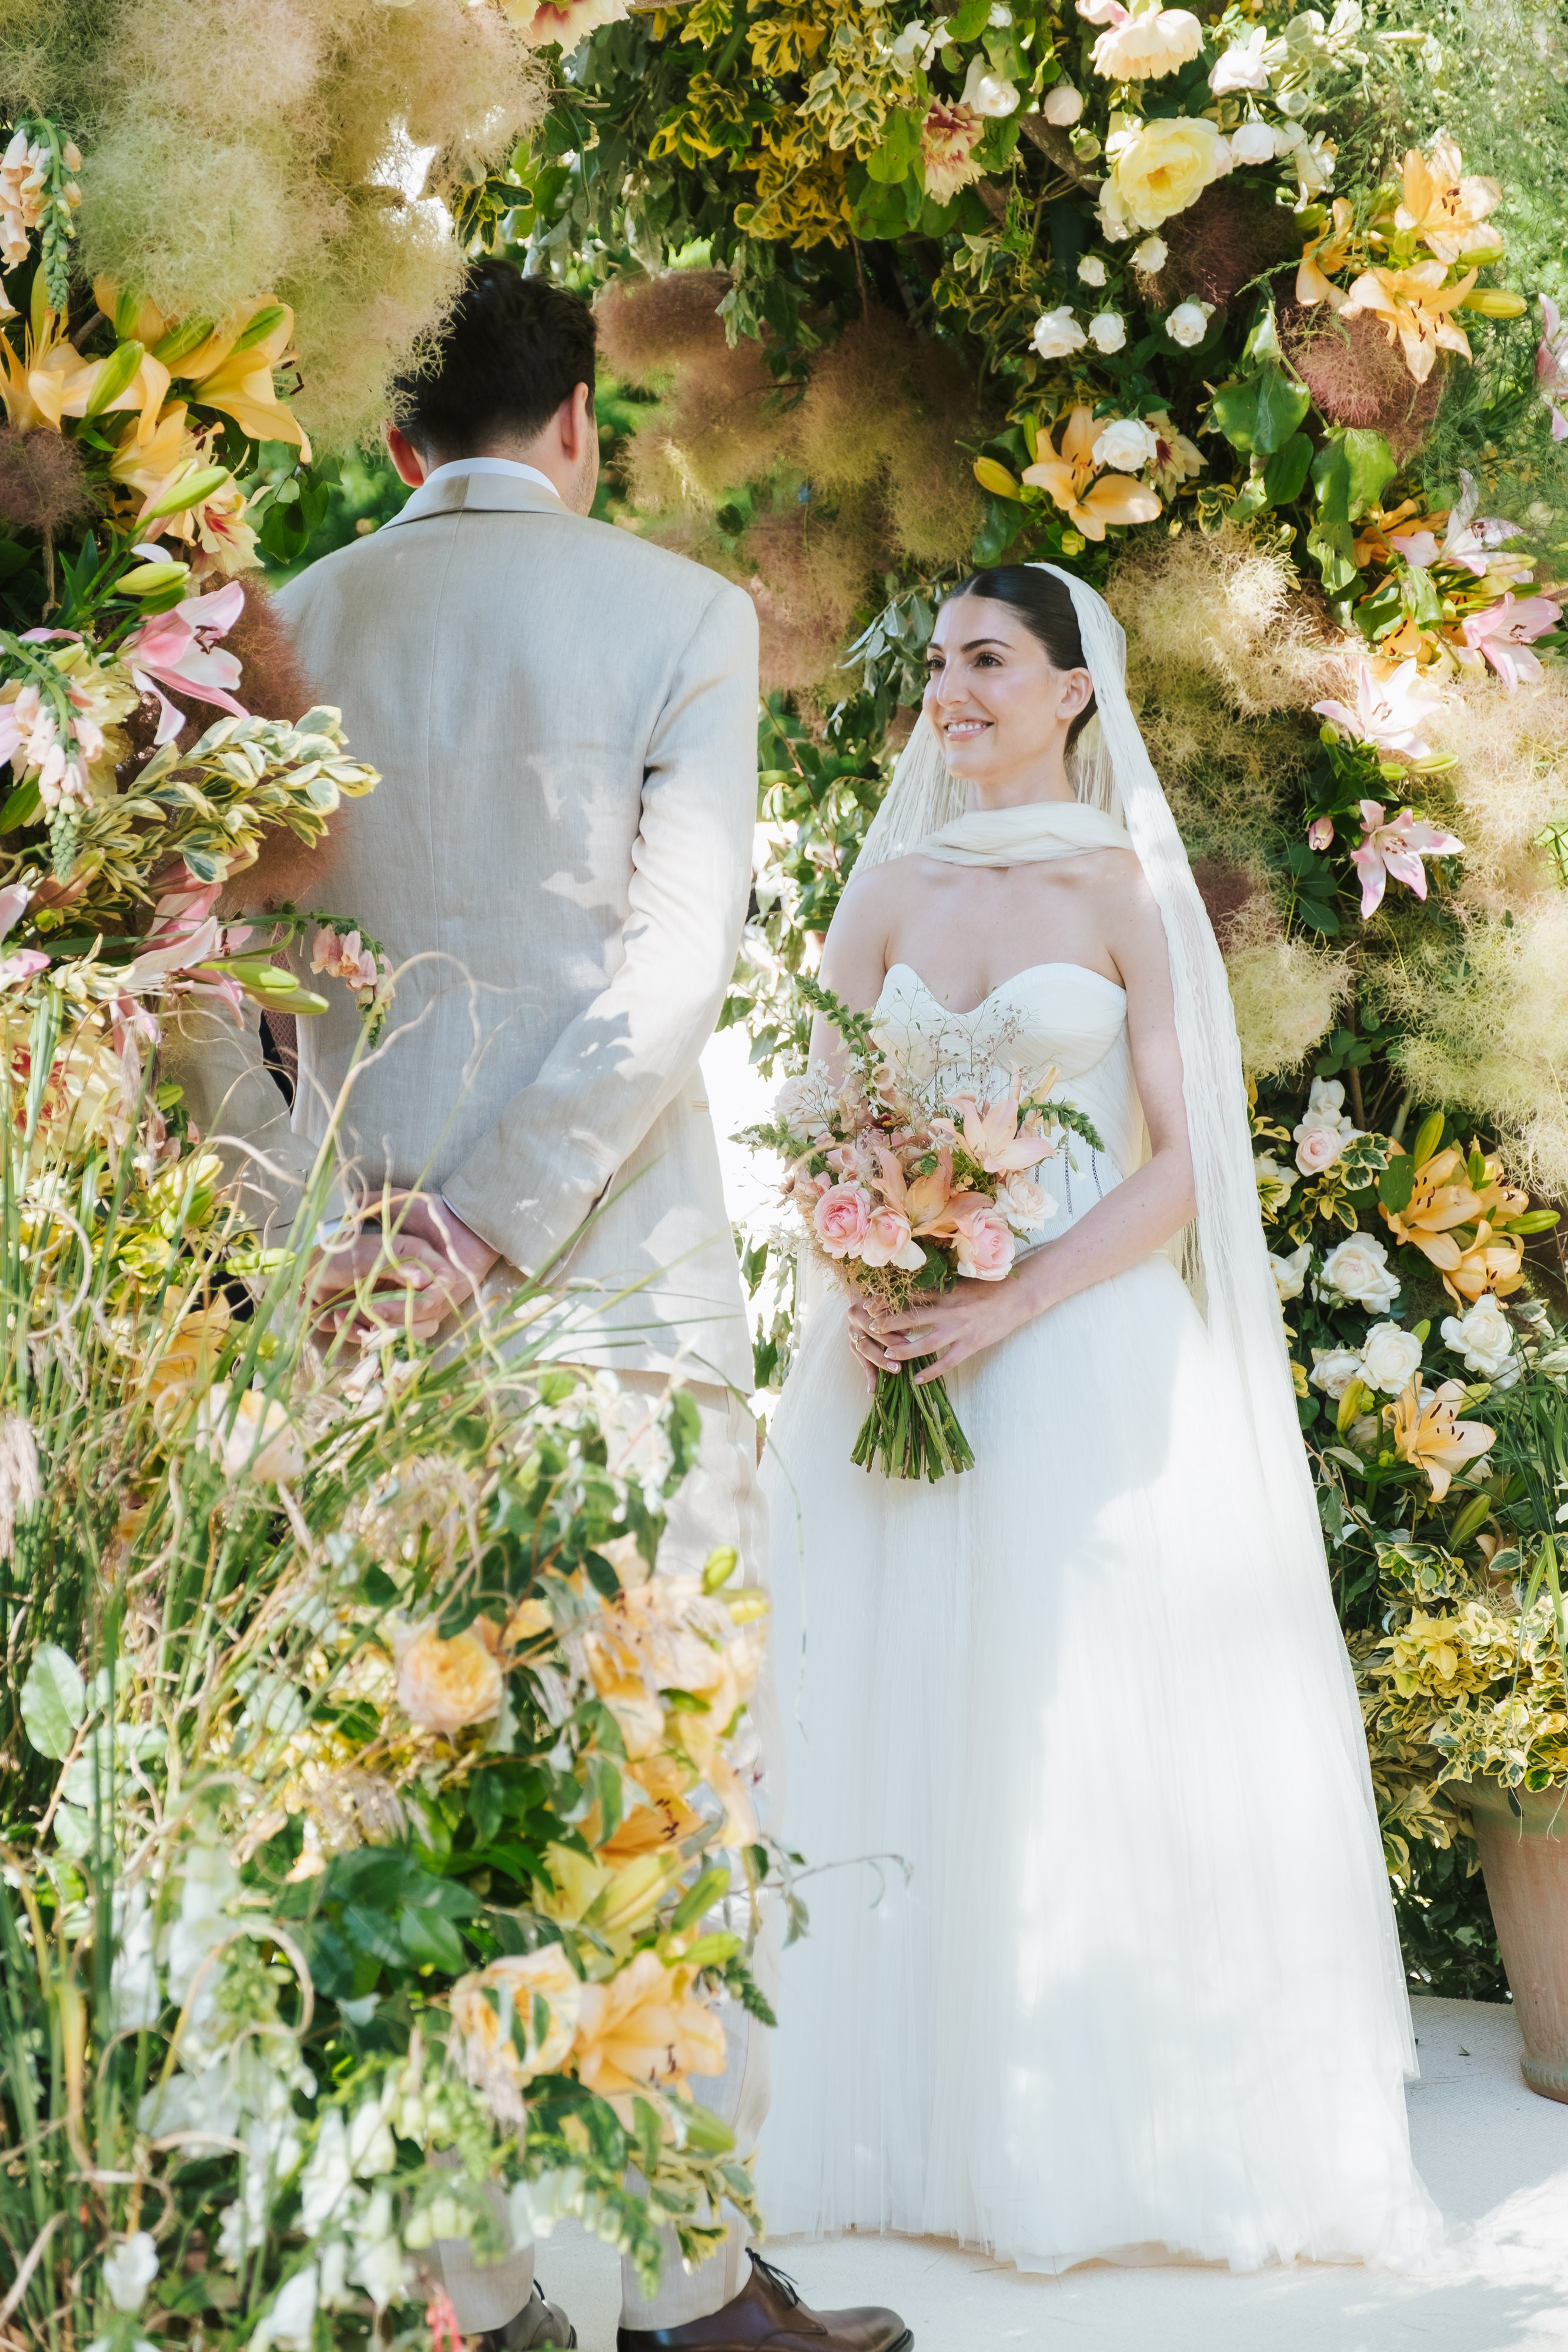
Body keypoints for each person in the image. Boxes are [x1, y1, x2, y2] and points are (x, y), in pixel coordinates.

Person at [163, 262, 910, 2352]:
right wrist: (487, 1228)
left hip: (350, 1333)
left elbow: (193, 965)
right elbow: (671, 973)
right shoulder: (675, 614)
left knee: (393, 1774)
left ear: (397, 439)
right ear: (579, 418)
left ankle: (461, 2293)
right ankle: (692, 2290)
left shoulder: (285, 626)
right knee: (660, 1772)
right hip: (611, 1305)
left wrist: (324, 1238)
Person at [755, 564, 1443, 2275]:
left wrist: (1011, 1296)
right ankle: (881, 2116)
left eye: (989, 660)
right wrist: (861, 1254)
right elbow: (820, 1114)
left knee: (1061, 1722)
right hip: (894, 1346)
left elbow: (1190, 1167)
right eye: (938, 662)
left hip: (1076, 1348)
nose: (952, 690)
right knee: (879, 1698)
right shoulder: (887, 891)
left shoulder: (1130, 890)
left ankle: (1071, 2139)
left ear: (1074, 690)